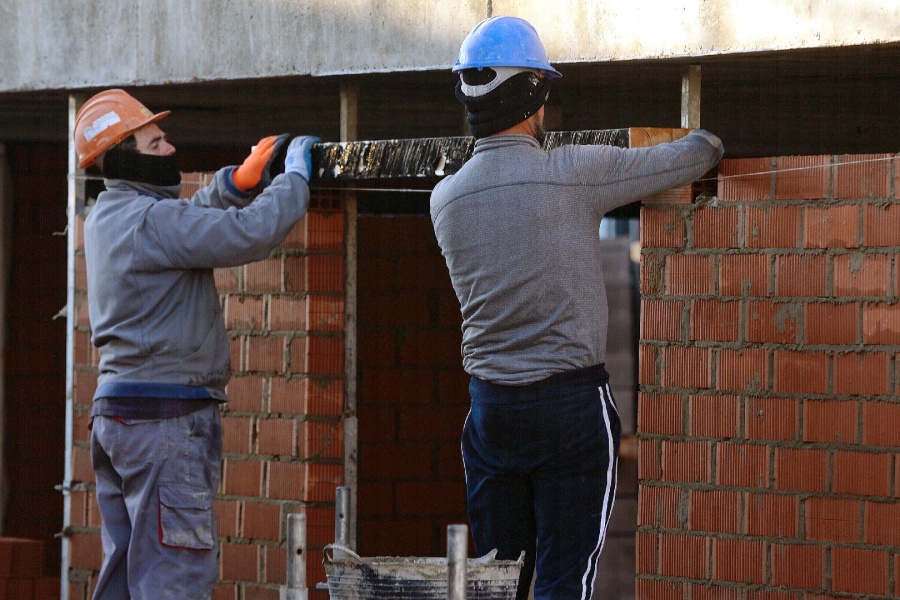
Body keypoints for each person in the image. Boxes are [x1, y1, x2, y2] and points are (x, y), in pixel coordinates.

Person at [430, 16, 724, 600]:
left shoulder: (446, 199)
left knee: (496, 582)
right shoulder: (573, 173)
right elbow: (693, 155)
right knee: (567, 582)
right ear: (534, 92)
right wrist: (711, 135)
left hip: (491, 410)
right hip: (569, 407)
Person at [73, 89, 318, 600]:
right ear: (123, 155)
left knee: (126, 574)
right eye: (155, 142)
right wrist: (294, 179)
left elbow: (186, 225)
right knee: (174, 579)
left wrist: (235, 182)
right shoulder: (150, 220)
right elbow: (246, 234)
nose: (170, 149)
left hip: (119, 419)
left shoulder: (109, 216)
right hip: (165, 423)